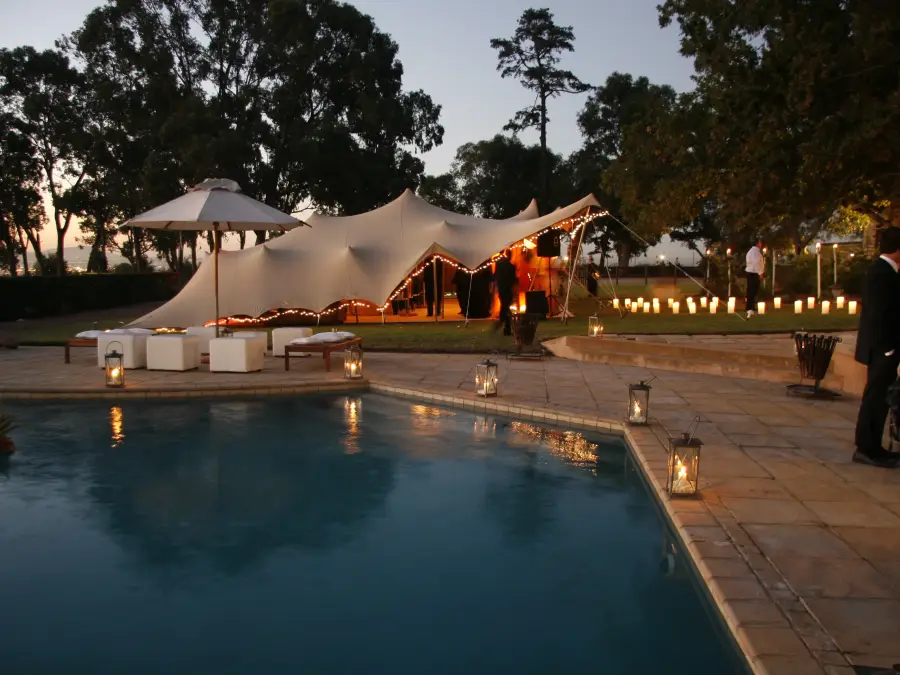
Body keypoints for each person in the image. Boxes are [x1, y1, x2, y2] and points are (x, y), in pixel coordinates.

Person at [853, 227, 900, 467]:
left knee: (881, 397)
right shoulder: (882, 274)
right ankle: (866, 447)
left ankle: (873, 445)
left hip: (884, 346)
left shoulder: (885, 271)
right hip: (882, 347)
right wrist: (889, 347)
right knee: (875, 396)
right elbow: (880, 314)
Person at [493, 249, 517, 336]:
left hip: (502, 289)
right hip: (507, 290)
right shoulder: (511, 267)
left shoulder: (499, 265)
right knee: (506, 308)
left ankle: (503, 324)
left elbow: (495, 276)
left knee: (505, 307)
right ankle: (504, 325)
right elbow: (513, 280)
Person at [745, 238, 765, 315]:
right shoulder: (754, 252)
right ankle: (750, 308)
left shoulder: (755, 252)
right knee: (752, 291)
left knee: (753, 291)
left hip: (753, 273)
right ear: (757, 243)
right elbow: (756, 263)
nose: (761, 244)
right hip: (753, 273)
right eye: (760, 243)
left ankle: (751, 307)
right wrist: (760, 273)